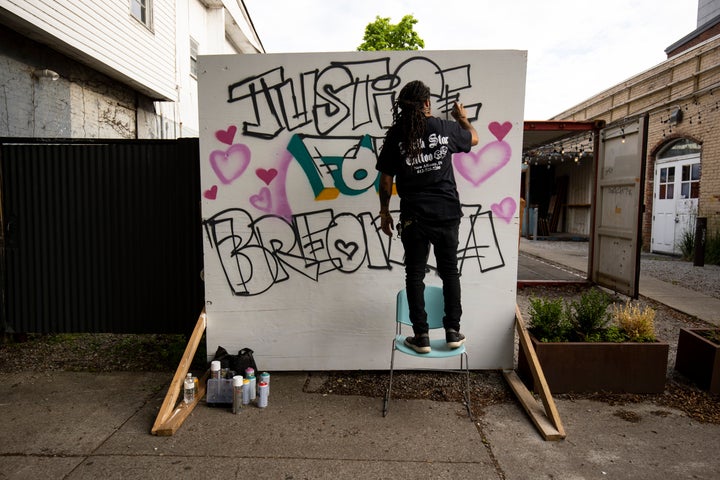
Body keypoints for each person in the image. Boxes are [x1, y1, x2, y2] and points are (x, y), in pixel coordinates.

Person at [376, 80, 478, 354]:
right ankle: (452, 332)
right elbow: (475, 138)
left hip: (414, 217)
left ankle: (420, 336)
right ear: (427, 103)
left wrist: (384, 212)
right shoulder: (446, 128)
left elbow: (386, 181)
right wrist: (463, 119)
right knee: (449, 272)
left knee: (414, 274)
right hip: (446, 213)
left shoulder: (397, 134)